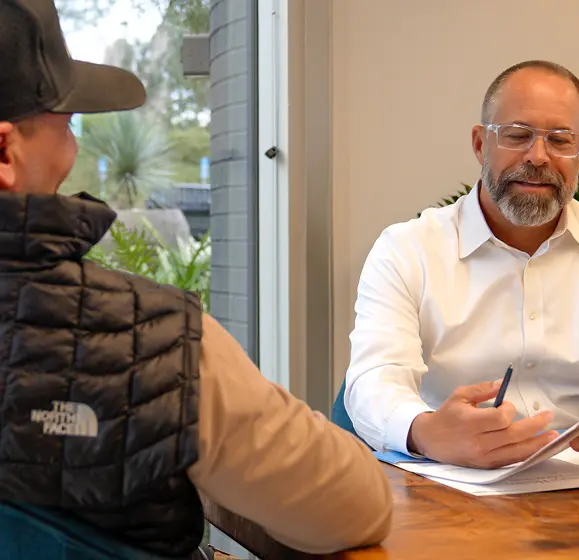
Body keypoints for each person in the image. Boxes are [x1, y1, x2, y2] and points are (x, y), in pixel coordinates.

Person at [0, 0, 393, 558]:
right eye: (63, 124)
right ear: (5, 152)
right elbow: (353, 507)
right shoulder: (145, 342)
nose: (75, 145)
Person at [344, 59, 579, 470]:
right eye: (517, 135)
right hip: (455, 488)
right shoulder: (407, 249)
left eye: (560, 140)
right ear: (479, 144)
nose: (538, 156)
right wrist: (424, 430)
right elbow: (374, 378)